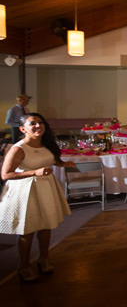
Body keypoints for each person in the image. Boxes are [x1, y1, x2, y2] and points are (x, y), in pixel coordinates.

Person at [0, 113, 75, 282]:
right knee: (27, 229)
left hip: (45, 188)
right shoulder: (18, 149)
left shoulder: (46, 144)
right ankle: (24, 266)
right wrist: (34, 172)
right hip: (26, 191)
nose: (38, 126)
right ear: (22, 129)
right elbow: (5, 174)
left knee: (45, 226)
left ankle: (43, 258)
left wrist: (63, 164)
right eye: (32, 123)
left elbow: (50, 159)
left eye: (40, 122)